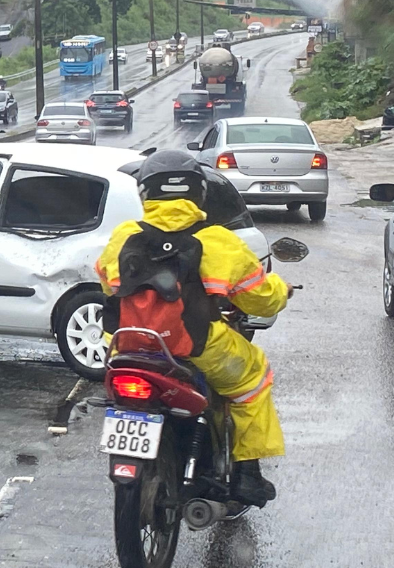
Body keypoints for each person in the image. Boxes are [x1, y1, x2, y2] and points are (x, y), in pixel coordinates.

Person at [95, 150, 289, 507]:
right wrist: (281, 291)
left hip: (126, 345)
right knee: (252, 379)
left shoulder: (125, 234)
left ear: (146, 193)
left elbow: (108, 283)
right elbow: (261, 299)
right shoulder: (218, 240)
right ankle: (247, 474)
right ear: (198, 193)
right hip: (195, 347)